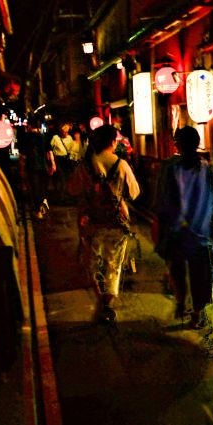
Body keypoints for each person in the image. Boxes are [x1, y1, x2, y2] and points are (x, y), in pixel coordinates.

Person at [153, 127, 213, 329]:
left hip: (177, 232)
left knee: (178, 271)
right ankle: (196, 312)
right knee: (200, 276)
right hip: (201, 234)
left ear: (178, 144)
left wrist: (160, 228)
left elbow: (161, 202)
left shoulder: (169, 169)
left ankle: (182, 302)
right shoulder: (207, 169)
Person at [68, 124, 141, 324]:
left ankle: (101, 300)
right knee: (113, 264)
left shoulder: (85, 165)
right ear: (112, 142)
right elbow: (134, 192)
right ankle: (107, 303)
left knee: (94, 264)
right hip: (117, 222)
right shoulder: (121, 164)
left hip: (91, 222)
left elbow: (72, 189)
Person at [18, 118, 56, 219]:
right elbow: (49, 152)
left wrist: (21, 169)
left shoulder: (26, 137)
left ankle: (38, 210)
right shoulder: (43, 136)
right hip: (44, 166)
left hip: (32, 166)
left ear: (29, 126)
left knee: (35, 188)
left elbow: (22, 155)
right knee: (42, 187)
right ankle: (43, 205)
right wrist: (53, 164)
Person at [50, 122, 79, 202]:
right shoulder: (55, 138)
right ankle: (62, 197)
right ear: (60, 131)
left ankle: (64, 195)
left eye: (67, 132)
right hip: (58, 160)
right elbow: (50, 149)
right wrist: (52, 161)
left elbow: (72, 149)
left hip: (66, 160)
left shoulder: (69, 138)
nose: (66, 133)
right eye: (64, 132)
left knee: (67, 178)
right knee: (62, 178)